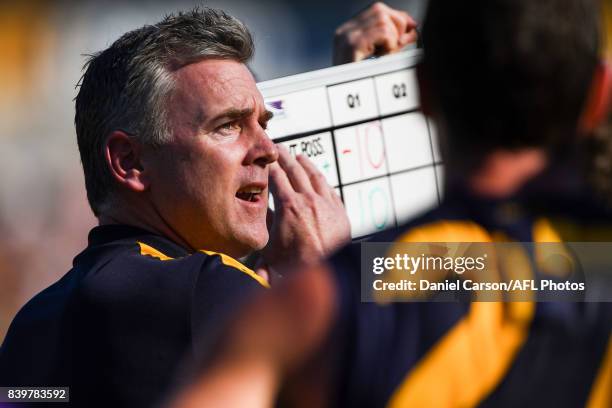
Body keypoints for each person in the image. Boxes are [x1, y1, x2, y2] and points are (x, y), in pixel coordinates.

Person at [170, 1, 612, 407]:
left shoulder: (313, 301)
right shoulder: (597, 266)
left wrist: (328, 277)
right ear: (599, 96)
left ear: (422, 89)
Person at [0, 4, 418, 407]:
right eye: (228, 126)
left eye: (263, 125)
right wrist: (330, 274)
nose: (268, 150)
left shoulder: (31, 323)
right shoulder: (206, 289)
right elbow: (421, 361)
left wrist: (356, 97)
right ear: (130, 162)